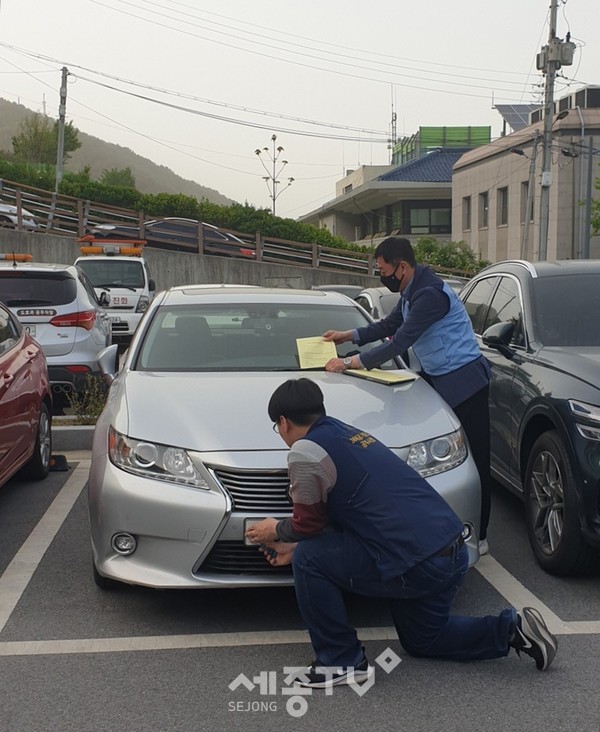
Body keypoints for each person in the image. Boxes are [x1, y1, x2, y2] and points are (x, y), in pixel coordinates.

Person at [245, 378, 557, 689]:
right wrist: (296, 546)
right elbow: (357, 513)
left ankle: (341, 661)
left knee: (311, 560)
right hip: (450, 548)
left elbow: (308, 524)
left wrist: (276, 529)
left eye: (277, 427)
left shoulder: (305, 451)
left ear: (283, 422)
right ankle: (514, 629)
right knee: (424, 639)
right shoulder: (345, 433)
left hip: (418, 560)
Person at [322, 236, 492, 554]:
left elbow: (398, 342)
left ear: (401, 267)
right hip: (440, 379)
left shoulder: (430, 295)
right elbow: (389, 323)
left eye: (383, 269)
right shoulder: (412, 289)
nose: (381, 276)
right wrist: (349, 335)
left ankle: (479, 535)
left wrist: (348, 363)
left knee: (475, 460)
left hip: (465, 382)